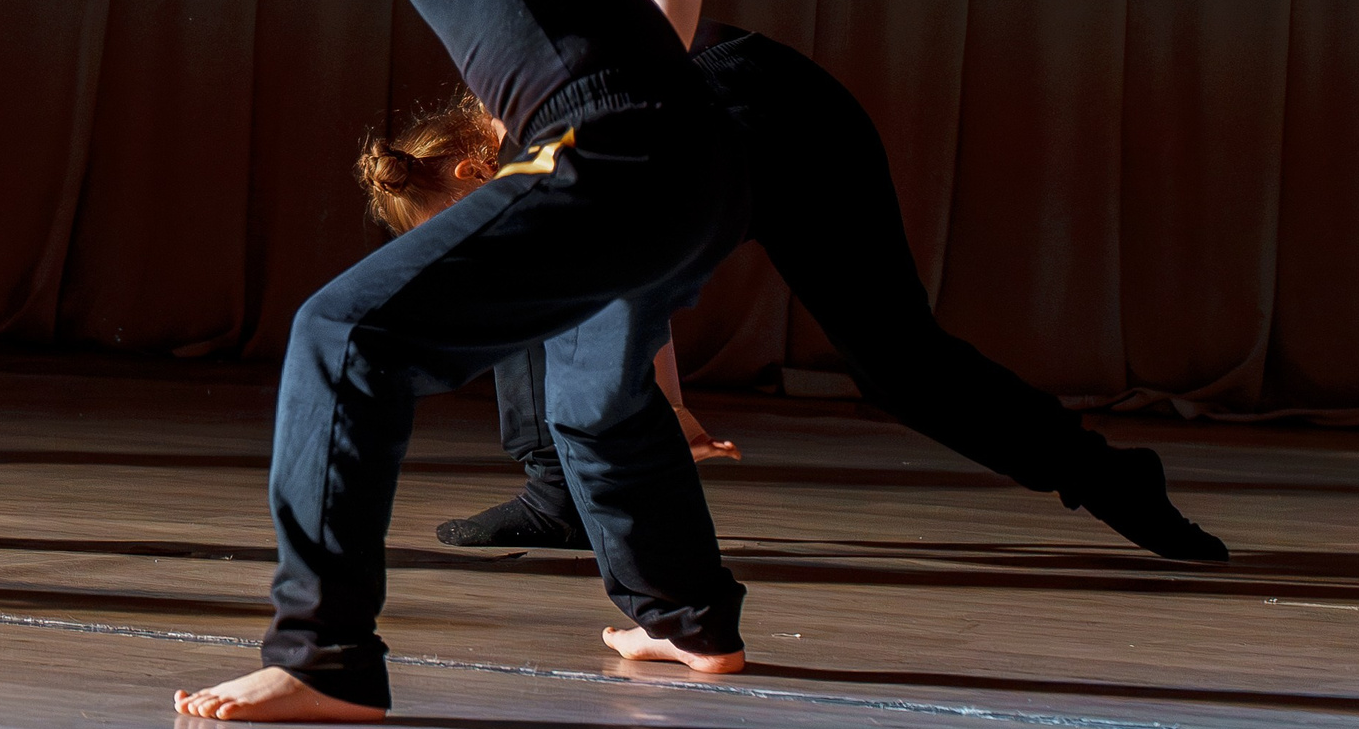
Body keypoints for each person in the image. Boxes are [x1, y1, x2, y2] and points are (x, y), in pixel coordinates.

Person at [155, 0, 754, 724]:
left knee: (344, 338)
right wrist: (654, 97)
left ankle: (322, 656)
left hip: (618, 156)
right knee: (594, 391)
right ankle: (688, 620)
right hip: (691, 162)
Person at [359, 34, 1230, 563]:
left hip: (788, 126)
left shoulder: (551, 133)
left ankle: (1113, 479)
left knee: (903, 365)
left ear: (472, 167)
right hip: (713, 137)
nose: (460, 243)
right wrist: (670, 404)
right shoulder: (530, 157)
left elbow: (623, 276)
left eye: (449, 222)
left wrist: (665, 398)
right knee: (528, 272)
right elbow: (621, 276)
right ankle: (556, 495)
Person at [359, 91, 741, 465]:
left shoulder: (541, 148)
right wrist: (674, 412)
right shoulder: (529, 149)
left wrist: (674, 410)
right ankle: (552, 470)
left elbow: (634, 292)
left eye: (462, 229)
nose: (470, 247)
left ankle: (551, 476)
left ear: (471, 172)